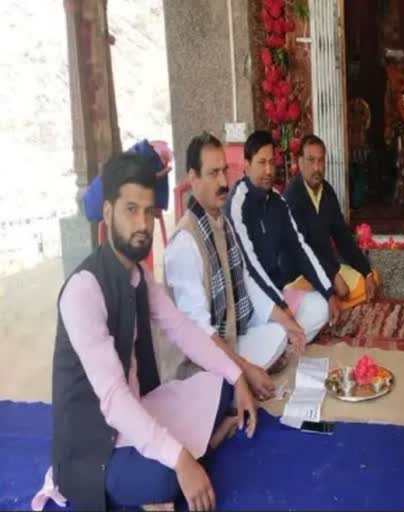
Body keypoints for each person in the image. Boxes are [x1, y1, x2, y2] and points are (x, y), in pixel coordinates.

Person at [33, 153, 259, 512]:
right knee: (167, 477)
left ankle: (187, 459)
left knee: (224, 387)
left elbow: (182, 330)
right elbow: (112, 398)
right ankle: (186, 464)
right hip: (92, 447)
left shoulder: (138, 277)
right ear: (108, 214)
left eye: (149, 212)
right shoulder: (83, 290)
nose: (143, 224)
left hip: (136, 410)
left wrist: (238, 374)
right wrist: (181, 460)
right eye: (131, 210)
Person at [164, 133, 308, 389]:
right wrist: (242, 370)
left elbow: (247, 281)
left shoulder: (223, 223)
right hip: (200, 360)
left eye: (224, 171)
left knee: (281, 332)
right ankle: (233, 383)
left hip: (231, 336)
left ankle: (239, 375)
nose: (223, 182)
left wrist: (286, 321)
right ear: (193, 178)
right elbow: (197, 331)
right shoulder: (185, 241)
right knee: (221, 388)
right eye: (212, 174)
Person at [226, 130, 338, 342]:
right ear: (247, 164)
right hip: (251, 305)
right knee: (280, 329)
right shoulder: (237, 205)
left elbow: (300, 247)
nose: (268, 170)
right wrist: (282, 310)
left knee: (321, 307)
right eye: (261, 163)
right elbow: (250, 267)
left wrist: (329, 291)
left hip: (278, 293)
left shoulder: (278, 202)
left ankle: (283, 344)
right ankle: (281, 341)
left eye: (271, 162)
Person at [283, 134, 381, 310]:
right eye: (311, 160)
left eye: (321, 161)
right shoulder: (292, 196)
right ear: (300, 162)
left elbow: (342, 236)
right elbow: (302, 250)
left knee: (371, 279)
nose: (316, 167)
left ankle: (332, 300)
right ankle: (326, 301)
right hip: (301, 273)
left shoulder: (327, 192)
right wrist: (333, 276)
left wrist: (365, 272)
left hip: (328, 267)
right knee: (321, 303)